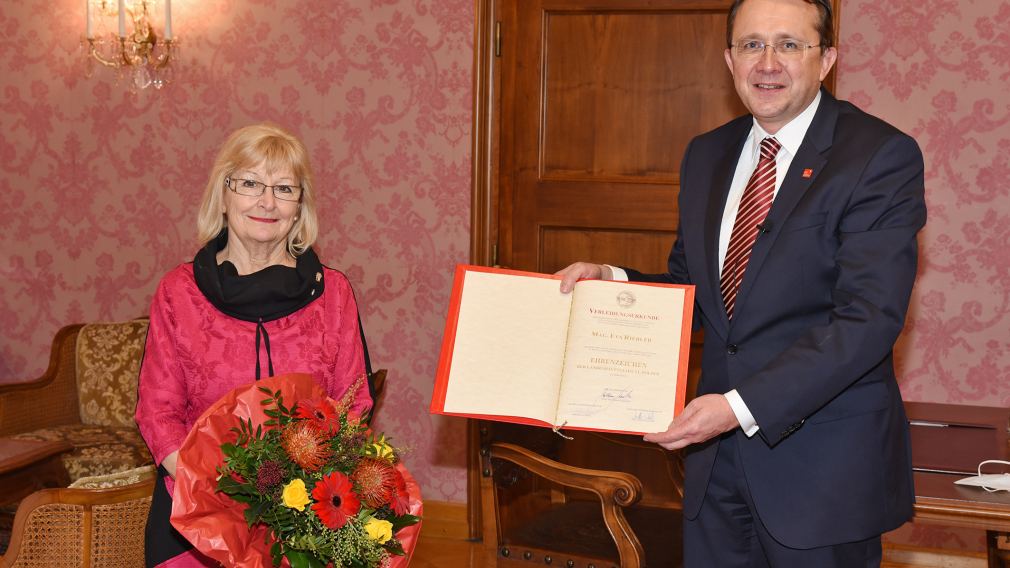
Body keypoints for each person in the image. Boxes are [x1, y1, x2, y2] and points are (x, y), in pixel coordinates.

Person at [557, 0, 926, 565]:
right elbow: (694, 291)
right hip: (714, 466)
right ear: (729, 60)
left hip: (822, 469)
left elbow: (867, 319)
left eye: (789, 44)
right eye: (752, 45)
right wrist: (610, 281)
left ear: (826, 59)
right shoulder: (707, 154)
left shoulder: (878, 155)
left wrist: (738, 407)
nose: (767, 63)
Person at [135, 123, 372, 567]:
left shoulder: (334, 293)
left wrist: (305, 496)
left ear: (299, 207)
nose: (267, 201)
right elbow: (157, 412)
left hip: (306, 524)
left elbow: (353, 405)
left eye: (284, 188)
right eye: (249, 183)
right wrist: (216, 494)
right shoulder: (178, 292)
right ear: (223, 196)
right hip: (195, 516)